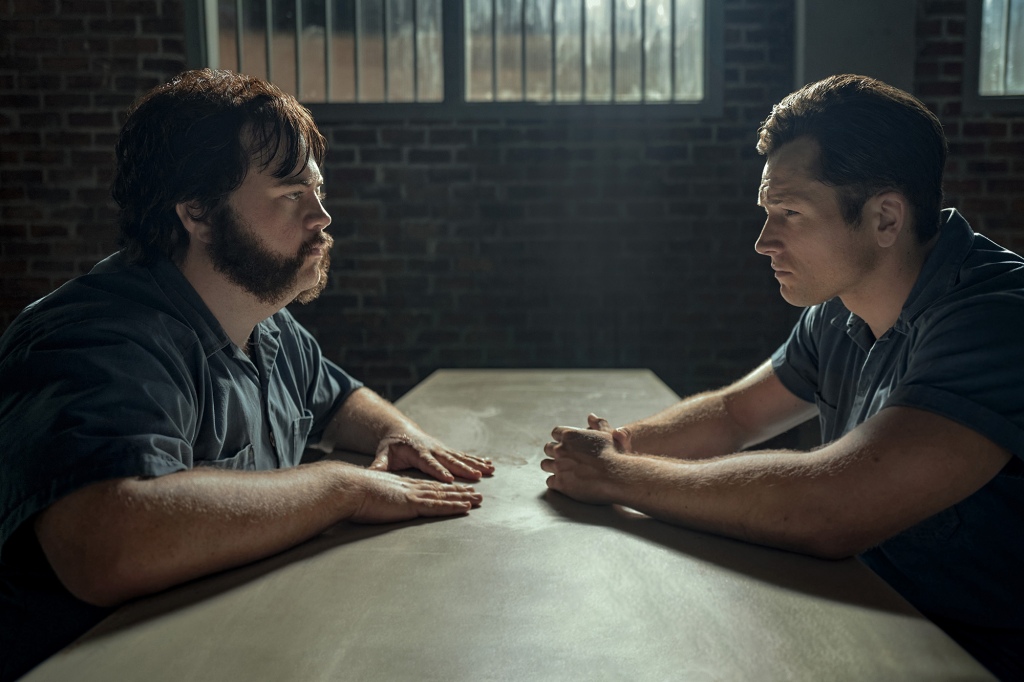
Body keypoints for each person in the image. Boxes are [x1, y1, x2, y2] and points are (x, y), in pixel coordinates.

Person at [0, 69, 494, 681]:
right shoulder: (96, 335)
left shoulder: (263, 321)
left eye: (317, 190)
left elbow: (339, 397)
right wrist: (341, 487)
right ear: (197, 212)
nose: (322, 216)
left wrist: (399, 435)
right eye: (291, 194)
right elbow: (107, 545)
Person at [541, 74, 1023, 680]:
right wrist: (617, 446)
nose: (764, 241)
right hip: (875, 623)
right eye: (768, 212)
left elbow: (832, 507)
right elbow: (735, 414)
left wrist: (618, 476)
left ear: (885, 218)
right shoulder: (839, 308)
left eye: (790, 213)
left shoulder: (998, 320)